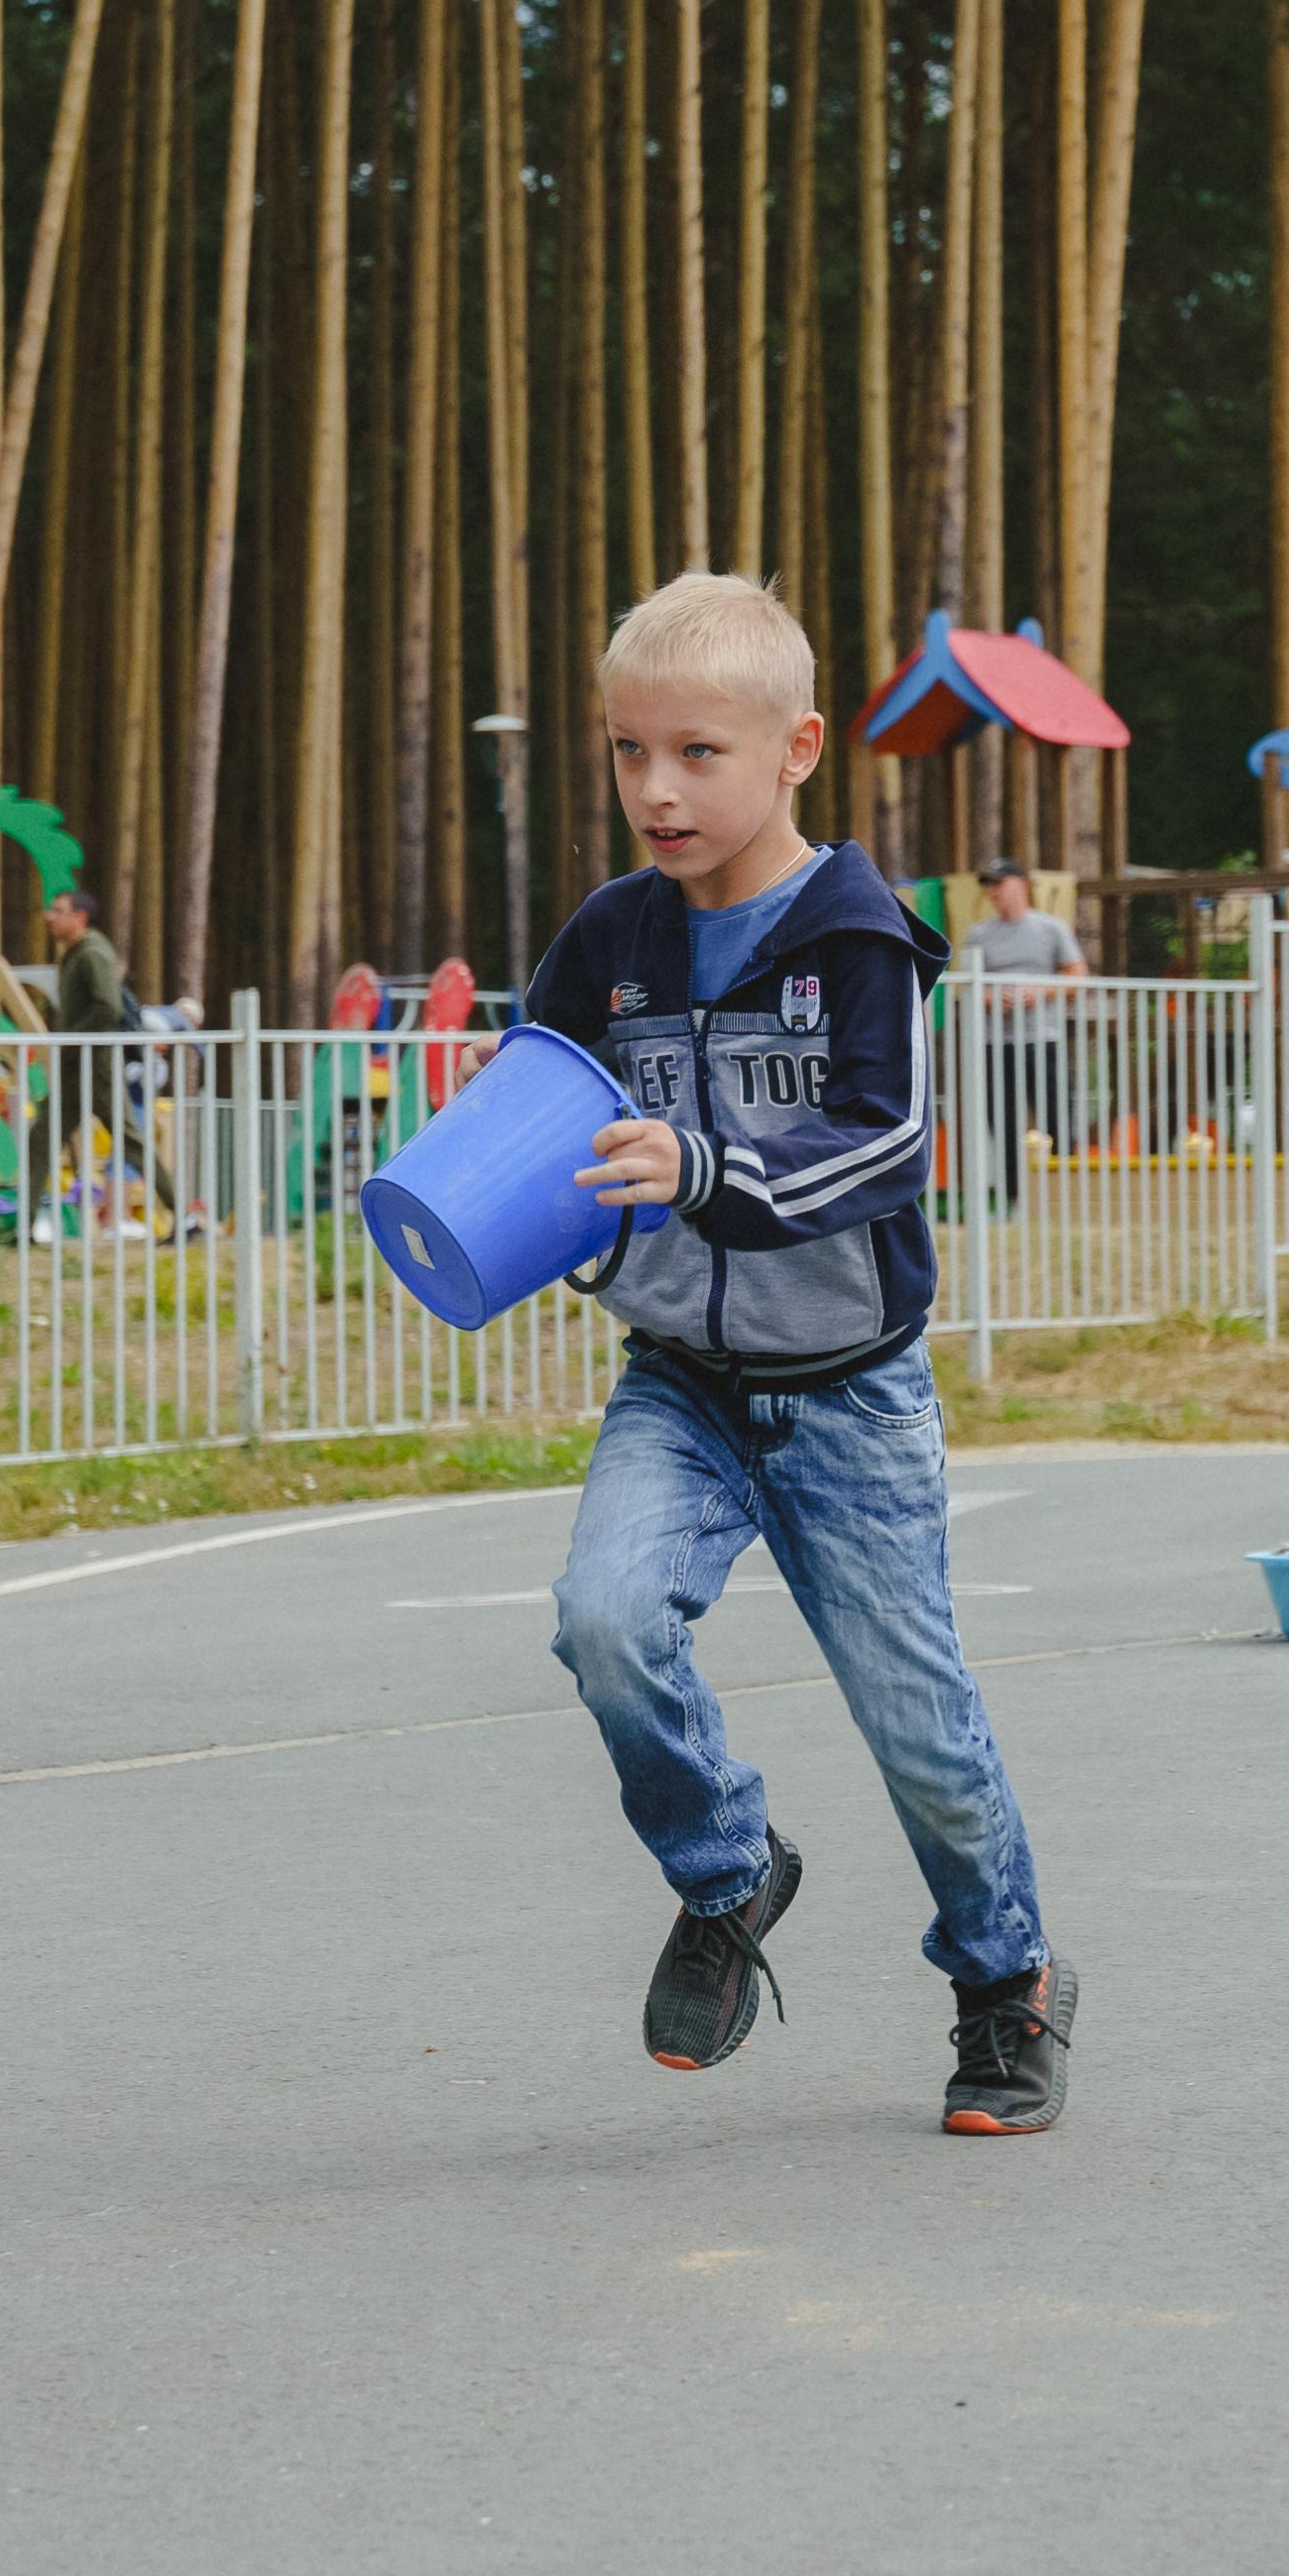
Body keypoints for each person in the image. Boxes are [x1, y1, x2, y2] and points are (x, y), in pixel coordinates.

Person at [455, 573, 1072, 2135]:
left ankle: (1005, 1983)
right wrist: (489, 1204)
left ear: (795, 747)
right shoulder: (606, 937)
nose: (654, 788)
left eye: (695, 752)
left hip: (849, 1396)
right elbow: (546, 1120)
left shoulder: (859, 937)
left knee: (916, 1727)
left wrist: (705, 1172)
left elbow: (883, 1146)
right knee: (600, 1618)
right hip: (681, 1382)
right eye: (623, 752)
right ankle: (728, 1868)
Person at [26, 889, 176, 1239]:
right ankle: (24, 1224)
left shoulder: (91, 954)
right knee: (41, 1137)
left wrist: (74, 1037)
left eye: (59, 911)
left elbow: (108, 1007)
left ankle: (182, 1214)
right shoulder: (77, 955)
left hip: (95, 1065)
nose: (50, 917)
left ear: (80, 918)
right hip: (77, 1066)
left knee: (131, 1142)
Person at [964, 858, 1088, 1205]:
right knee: (1001, 1120)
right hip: (995, 1043)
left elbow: (1077, 975)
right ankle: (1014, 1197)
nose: (993, 892)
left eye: (999, 883)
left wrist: (1038, 992)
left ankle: (1065, 1192)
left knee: (1057, 1112)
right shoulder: (980, 934)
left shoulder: (1050, 928)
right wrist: (991, 998)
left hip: (1043, 1038)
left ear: (1022, 884)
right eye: (989, 885)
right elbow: (966, 988)